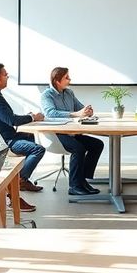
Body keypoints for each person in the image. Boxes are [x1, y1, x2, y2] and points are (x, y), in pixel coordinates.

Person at [0, 63, 46, 199]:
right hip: (5, 141)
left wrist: (29, 117)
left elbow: (8, 118)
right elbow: (12, 120)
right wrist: (33, 117)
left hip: (7, 135)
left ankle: (22, 179)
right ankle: (17, 182)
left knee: (29, 135)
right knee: (38, 149)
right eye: (5, 74)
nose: (8, 76)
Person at [40, 67, 104, 196]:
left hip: (72, 132)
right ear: (57, 81)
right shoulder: (47, 95)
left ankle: (83, 180)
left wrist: (87, 111)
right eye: (67, 77)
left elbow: (80, 109)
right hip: (56, 135)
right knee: (78, 149)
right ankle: (74, 186)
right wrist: (76, 114)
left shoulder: (69, 93)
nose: (70, 79)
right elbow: (50, 113)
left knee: (97, 145)